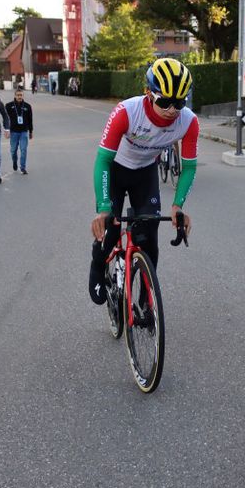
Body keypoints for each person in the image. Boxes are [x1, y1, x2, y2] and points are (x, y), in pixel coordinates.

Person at [88, 58, 198, 305]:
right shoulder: (127, 111)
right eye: (165, 101)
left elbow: (189, 167)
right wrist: (104, 207)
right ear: (149, 93)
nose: (172, 109)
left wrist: (178, 206)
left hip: (145, 173)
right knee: (111, 229)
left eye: (179, 102)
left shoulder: (188, 121)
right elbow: (102, 160)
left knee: (149, 238)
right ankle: (97, 265)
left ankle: (146, 298)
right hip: (115, 170)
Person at [5, 89, 34, 174]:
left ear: (23, 96)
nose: (19, 97)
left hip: (23, 132)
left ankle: (23, 167)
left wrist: (31, 131)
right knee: (13, 151)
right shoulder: (9, 106)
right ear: (15, 96)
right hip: (13, 132)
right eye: (18, 95)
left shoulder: (27, 106)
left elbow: (30, 120)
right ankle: (14, 161)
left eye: (21, 95)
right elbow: (5, 119)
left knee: (23, 150)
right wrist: (6, 129)